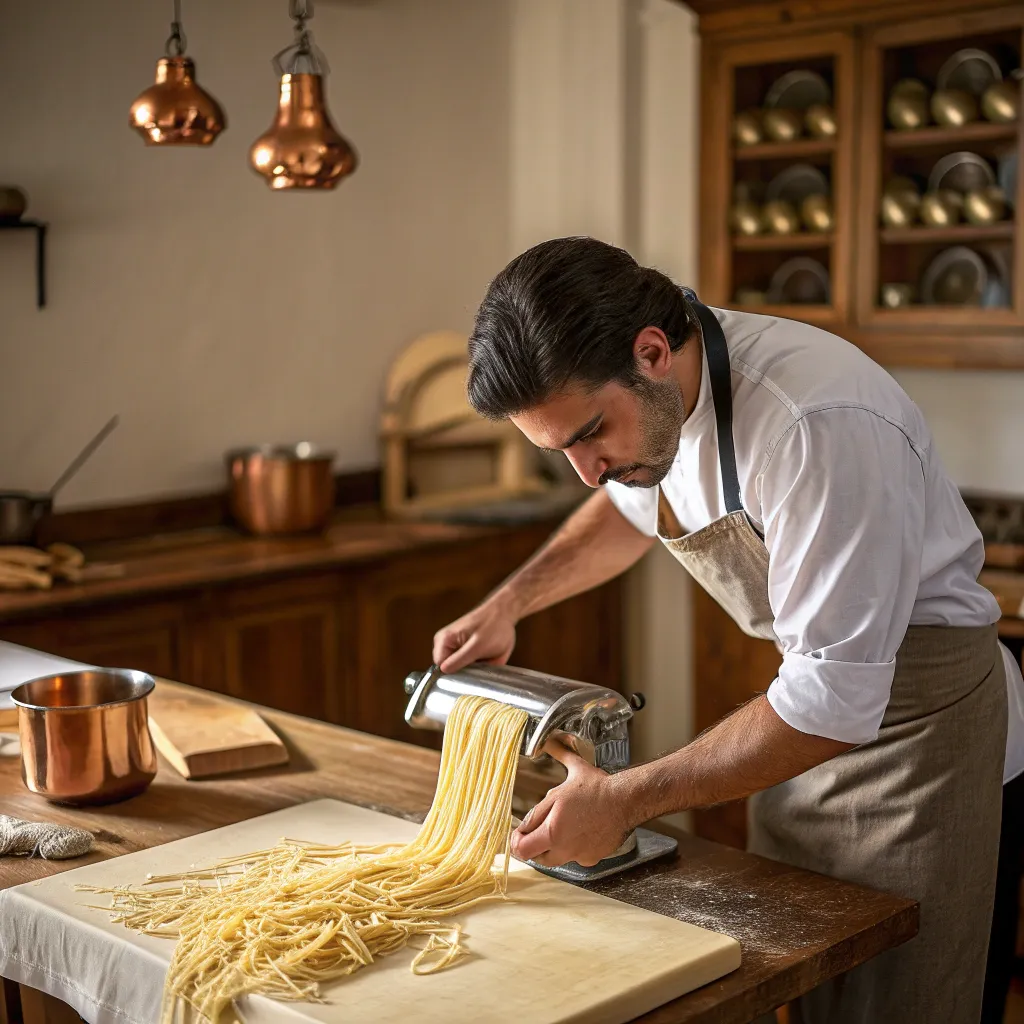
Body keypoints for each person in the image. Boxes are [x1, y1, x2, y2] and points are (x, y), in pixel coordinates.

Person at [432, 236, 1024, 1024]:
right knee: (807, 983)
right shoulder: (653, 412)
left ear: (649, 352)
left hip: (926, 746)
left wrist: (624, 800)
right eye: (560, 451)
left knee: (900, 999)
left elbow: (833, 700)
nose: (586, 470)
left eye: (587, 436)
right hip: (810, 730)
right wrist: (510, 602)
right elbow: (623, 509)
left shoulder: (814, 422)